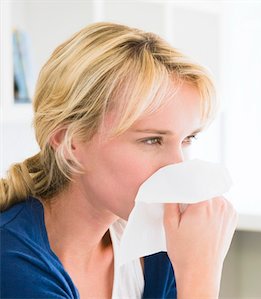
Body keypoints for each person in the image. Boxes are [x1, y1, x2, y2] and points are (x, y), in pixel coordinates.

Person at [0, 22, 238, 299]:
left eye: (188, 139)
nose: (178, 165)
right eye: (152, 140)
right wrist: (200, 276)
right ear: (70, 142)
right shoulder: (12, 262)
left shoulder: (157, 247)